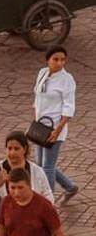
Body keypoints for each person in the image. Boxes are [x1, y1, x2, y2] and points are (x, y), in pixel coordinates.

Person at [33, 45, 78, 202]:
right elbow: (37, 98)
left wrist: (58, 129)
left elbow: (69, 106)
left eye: (63, 60)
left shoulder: (67, 80)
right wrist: (35, 121)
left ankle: (48, 202)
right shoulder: (42, 73)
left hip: (55, 128)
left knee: (47, 167)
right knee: (40, 165)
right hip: (41, 127)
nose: (59, 63)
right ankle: (70, 186)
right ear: (48, 60)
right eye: (55, 59)